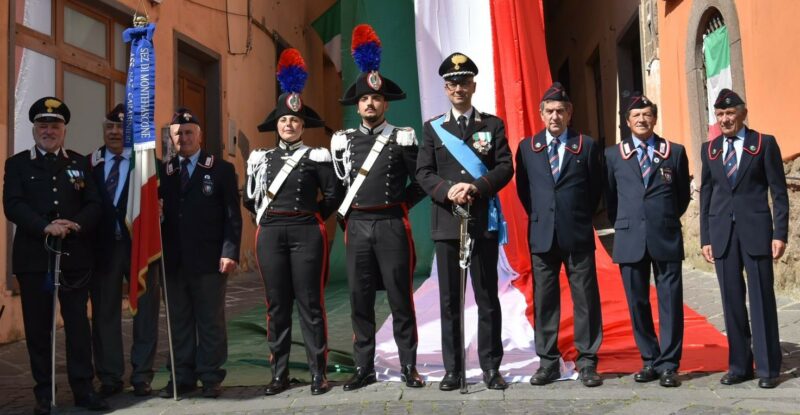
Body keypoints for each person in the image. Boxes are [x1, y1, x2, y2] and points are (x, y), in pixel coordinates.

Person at [331, 24, 427, 391]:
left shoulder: (402, 136)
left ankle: (408, 366)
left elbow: (420, 179)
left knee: (401, 298)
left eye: (376, 99)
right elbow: (338, 185)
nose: (370, 104)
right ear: (358, 105)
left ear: (385, 103)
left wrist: (401, 203)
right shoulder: (343, 141)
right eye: (364, 100)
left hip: (391, 225)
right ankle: (364, 368)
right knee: (359, 300)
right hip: (358, 227)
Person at [245, 48, 341, 396]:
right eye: (284, 120)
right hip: (270, 233)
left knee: (310, 304)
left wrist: (312, 218)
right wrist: (266, 218)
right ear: (277, 125)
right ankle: (279, 374)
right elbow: (249, 198)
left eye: (295, 121)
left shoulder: (317, 156)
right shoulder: (260, 159)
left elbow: (332, 195)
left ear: (303, 126)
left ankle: (319, 373)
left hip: (306, 232)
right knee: (276, 306)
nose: (289, 125)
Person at [3, 97, 108, 414]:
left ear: (64, 129)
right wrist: (45, 226)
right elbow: (13, 205)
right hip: (35, 260)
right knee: (38, 329)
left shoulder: (79, 163)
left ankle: (83, 389)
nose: (49, 130)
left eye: (55, 125)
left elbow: (95, 204)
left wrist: (75, 224)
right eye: (43, 125)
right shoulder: (17, 164)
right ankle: (44, 393)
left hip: (74, 258)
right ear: (34, 128)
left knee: (78, 326)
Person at [416, 52, 513, 391]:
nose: (459, 87)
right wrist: (448, 191)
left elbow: (504, 166)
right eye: (452, 82)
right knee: (450, 300)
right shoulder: (432, 129)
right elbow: (423, 172)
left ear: (473, 85)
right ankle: (453, 369)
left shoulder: (493, 125)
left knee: (487, 296)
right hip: (447, 222)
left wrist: (476, 186)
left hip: (482, 218)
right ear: (445, 88)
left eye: (464, 81)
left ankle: (490, 368)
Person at [515, 83, 603, 387]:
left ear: (570, 113)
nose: (555, 116)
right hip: (542, 235)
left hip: (577, 233)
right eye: (550, 111)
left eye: (561, 111)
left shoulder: (587, 146)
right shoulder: (528, 148)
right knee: (545, 300)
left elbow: (596, 190)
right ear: (541, 114)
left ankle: (588, 361)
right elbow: (525, 192)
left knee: (585, 299)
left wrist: (575, 215)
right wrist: (545, 216)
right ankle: (548, 361)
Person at [700, 89, 788, 389]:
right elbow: (707, 196)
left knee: (762, 298)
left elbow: (778, 192)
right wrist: (706, 237)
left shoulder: (763, 144)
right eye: (720, 115)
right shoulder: (710, 150)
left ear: (743, 114)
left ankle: (767, 367)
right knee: (732, 300)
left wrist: (780, 233)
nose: (725, 119)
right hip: (723, 234)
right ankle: (739, 365)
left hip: (756, 232)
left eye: (730, 113)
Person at [604, 93, 690, 388]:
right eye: (636, 116)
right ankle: (649, 359)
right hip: (630, 237)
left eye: (647, 115)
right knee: (637, 302)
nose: (642, 120)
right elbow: (611, 200)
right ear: (627, 123)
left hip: (664, 234)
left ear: (655, 118)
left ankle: (669, 363)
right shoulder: (613, 156)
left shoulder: (674, 152)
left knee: (670, 301)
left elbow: (681, 197)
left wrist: (660, 217)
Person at [158, 108, 242, 399]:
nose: (184, 137)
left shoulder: (220, 170)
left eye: (189, 131)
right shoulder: (164, 172)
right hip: (173, 260)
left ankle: (210, 376)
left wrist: (229, 251)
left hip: (209, 260)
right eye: (178, 133)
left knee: (210, 321)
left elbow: (232, 216)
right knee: (178, 322)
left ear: (200, 135)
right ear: (172, 137)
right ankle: (182, 376)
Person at [88, 103, 160, 398]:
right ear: (103, 130)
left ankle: (142, 374)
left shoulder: (146, 165)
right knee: (104, 312)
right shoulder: (89, 163)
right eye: (110, 127)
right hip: (104, 249)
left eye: (120, 128)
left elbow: (161, 195)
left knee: (145, 312)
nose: (115, 132)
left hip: (140, 247)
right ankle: (109, 375)